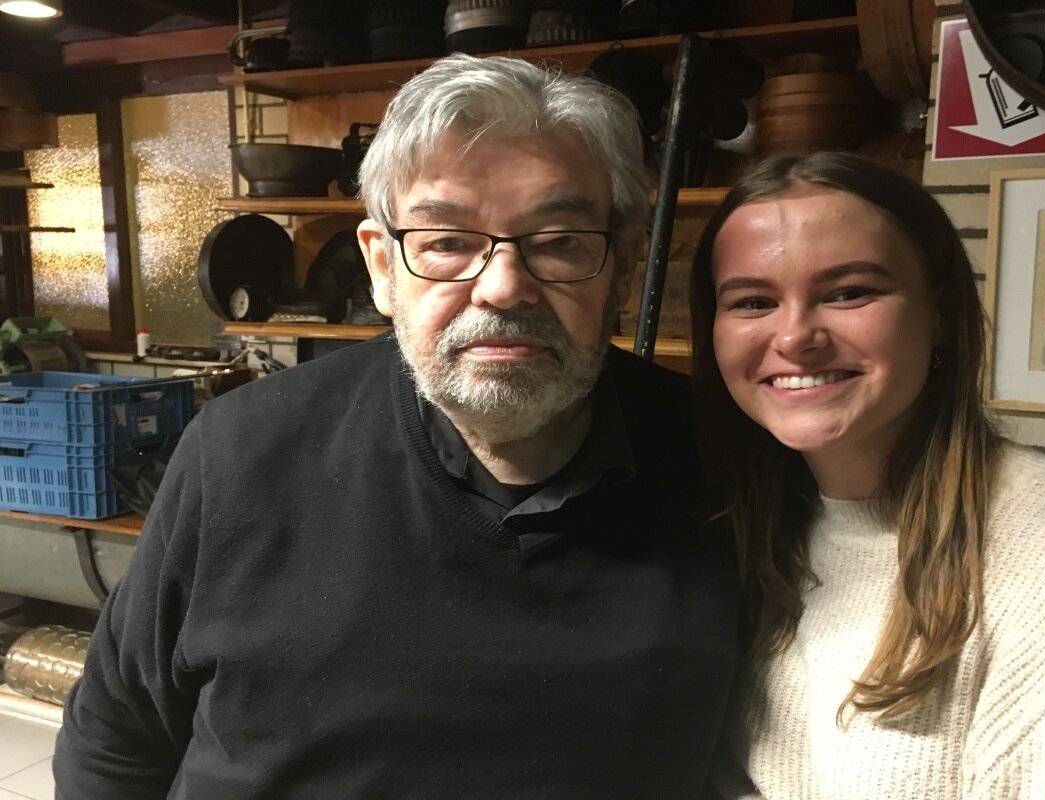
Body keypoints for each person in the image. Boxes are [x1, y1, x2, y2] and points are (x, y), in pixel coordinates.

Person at [53, 54, 740, 799]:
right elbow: (114, 738)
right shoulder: (241, 452)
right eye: (447, 242)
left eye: (560, 241)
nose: (505, 286)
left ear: (626, 268)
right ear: (381, 268)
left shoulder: (725, 463)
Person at [689, 152, 1045, 798]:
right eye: (754, 300)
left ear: (939, 313)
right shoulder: (741, 525)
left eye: (849, 292)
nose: (794, 336)